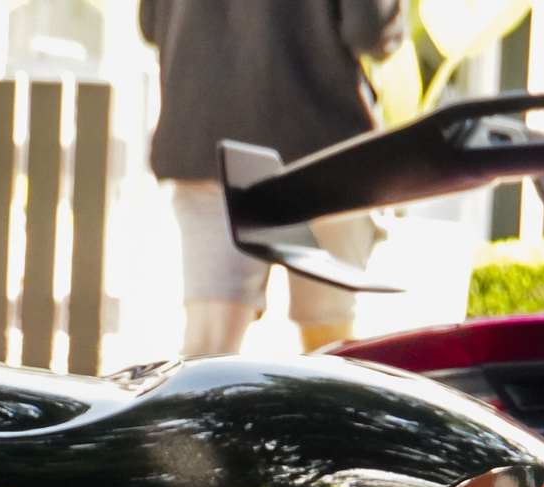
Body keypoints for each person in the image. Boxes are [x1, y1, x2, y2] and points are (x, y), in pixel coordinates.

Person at [143, 0, 405, 355]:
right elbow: (371, 32)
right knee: (330, 346)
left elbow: (149, 24)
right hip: (321, 149)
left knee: (208, 346)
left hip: (204, 135)